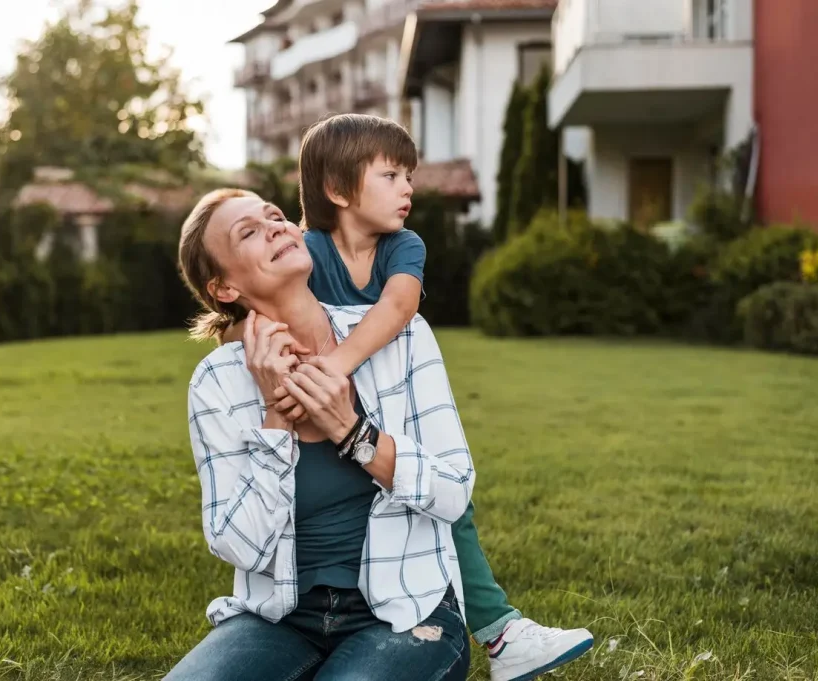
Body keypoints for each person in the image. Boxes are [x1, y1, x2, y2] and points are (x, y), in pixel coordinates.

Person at [226, 113, 593, 681]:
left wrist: (334, 367)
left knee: (449, 500)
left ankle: (499, 632)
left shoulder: (404, 246)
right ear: (338, 190)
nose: (408, 189)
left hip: (396, 411)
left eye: (409, 176)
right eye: (391, 174)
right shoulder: (306, 249)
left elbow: (401, 307)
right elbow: (254, 307)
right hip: (317, 429)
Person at [166, 187, 473, 680]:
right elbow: (238, 545)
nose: (275, 226)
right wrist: (275, 420)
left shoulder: (403, 337)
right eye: (248, 231)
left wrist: (352, 433)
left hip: (405, 613)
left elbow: (454, 491)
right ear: (223, 288)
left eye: (276, 216)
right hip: (280, 618)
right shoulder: (217, 381)